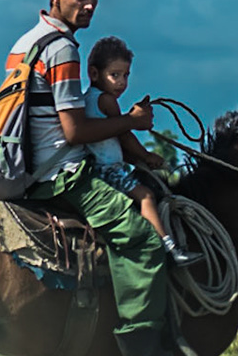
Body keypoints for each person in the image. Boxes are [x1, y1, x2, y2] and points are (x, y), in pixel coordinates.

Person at [3, 0, 188, 356]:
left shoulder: (23, 44)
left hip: (21, 170)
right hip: (63, 174)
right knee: (143, 239)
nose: (88, 5)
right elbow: (74, 131)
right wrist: (134, 123)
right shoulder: (63, 48)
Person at [85, 36, 202, 267]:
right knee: (146, 196)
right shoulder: (107, 100)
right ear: (94, 74)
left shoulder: (86, 99)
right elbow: (124, 135)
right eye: (114, 75)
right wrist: (146, 155)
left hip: (96, 169)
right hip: (108, 172)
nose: (121, 83)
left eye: (126, 75)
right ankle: (168, 247)